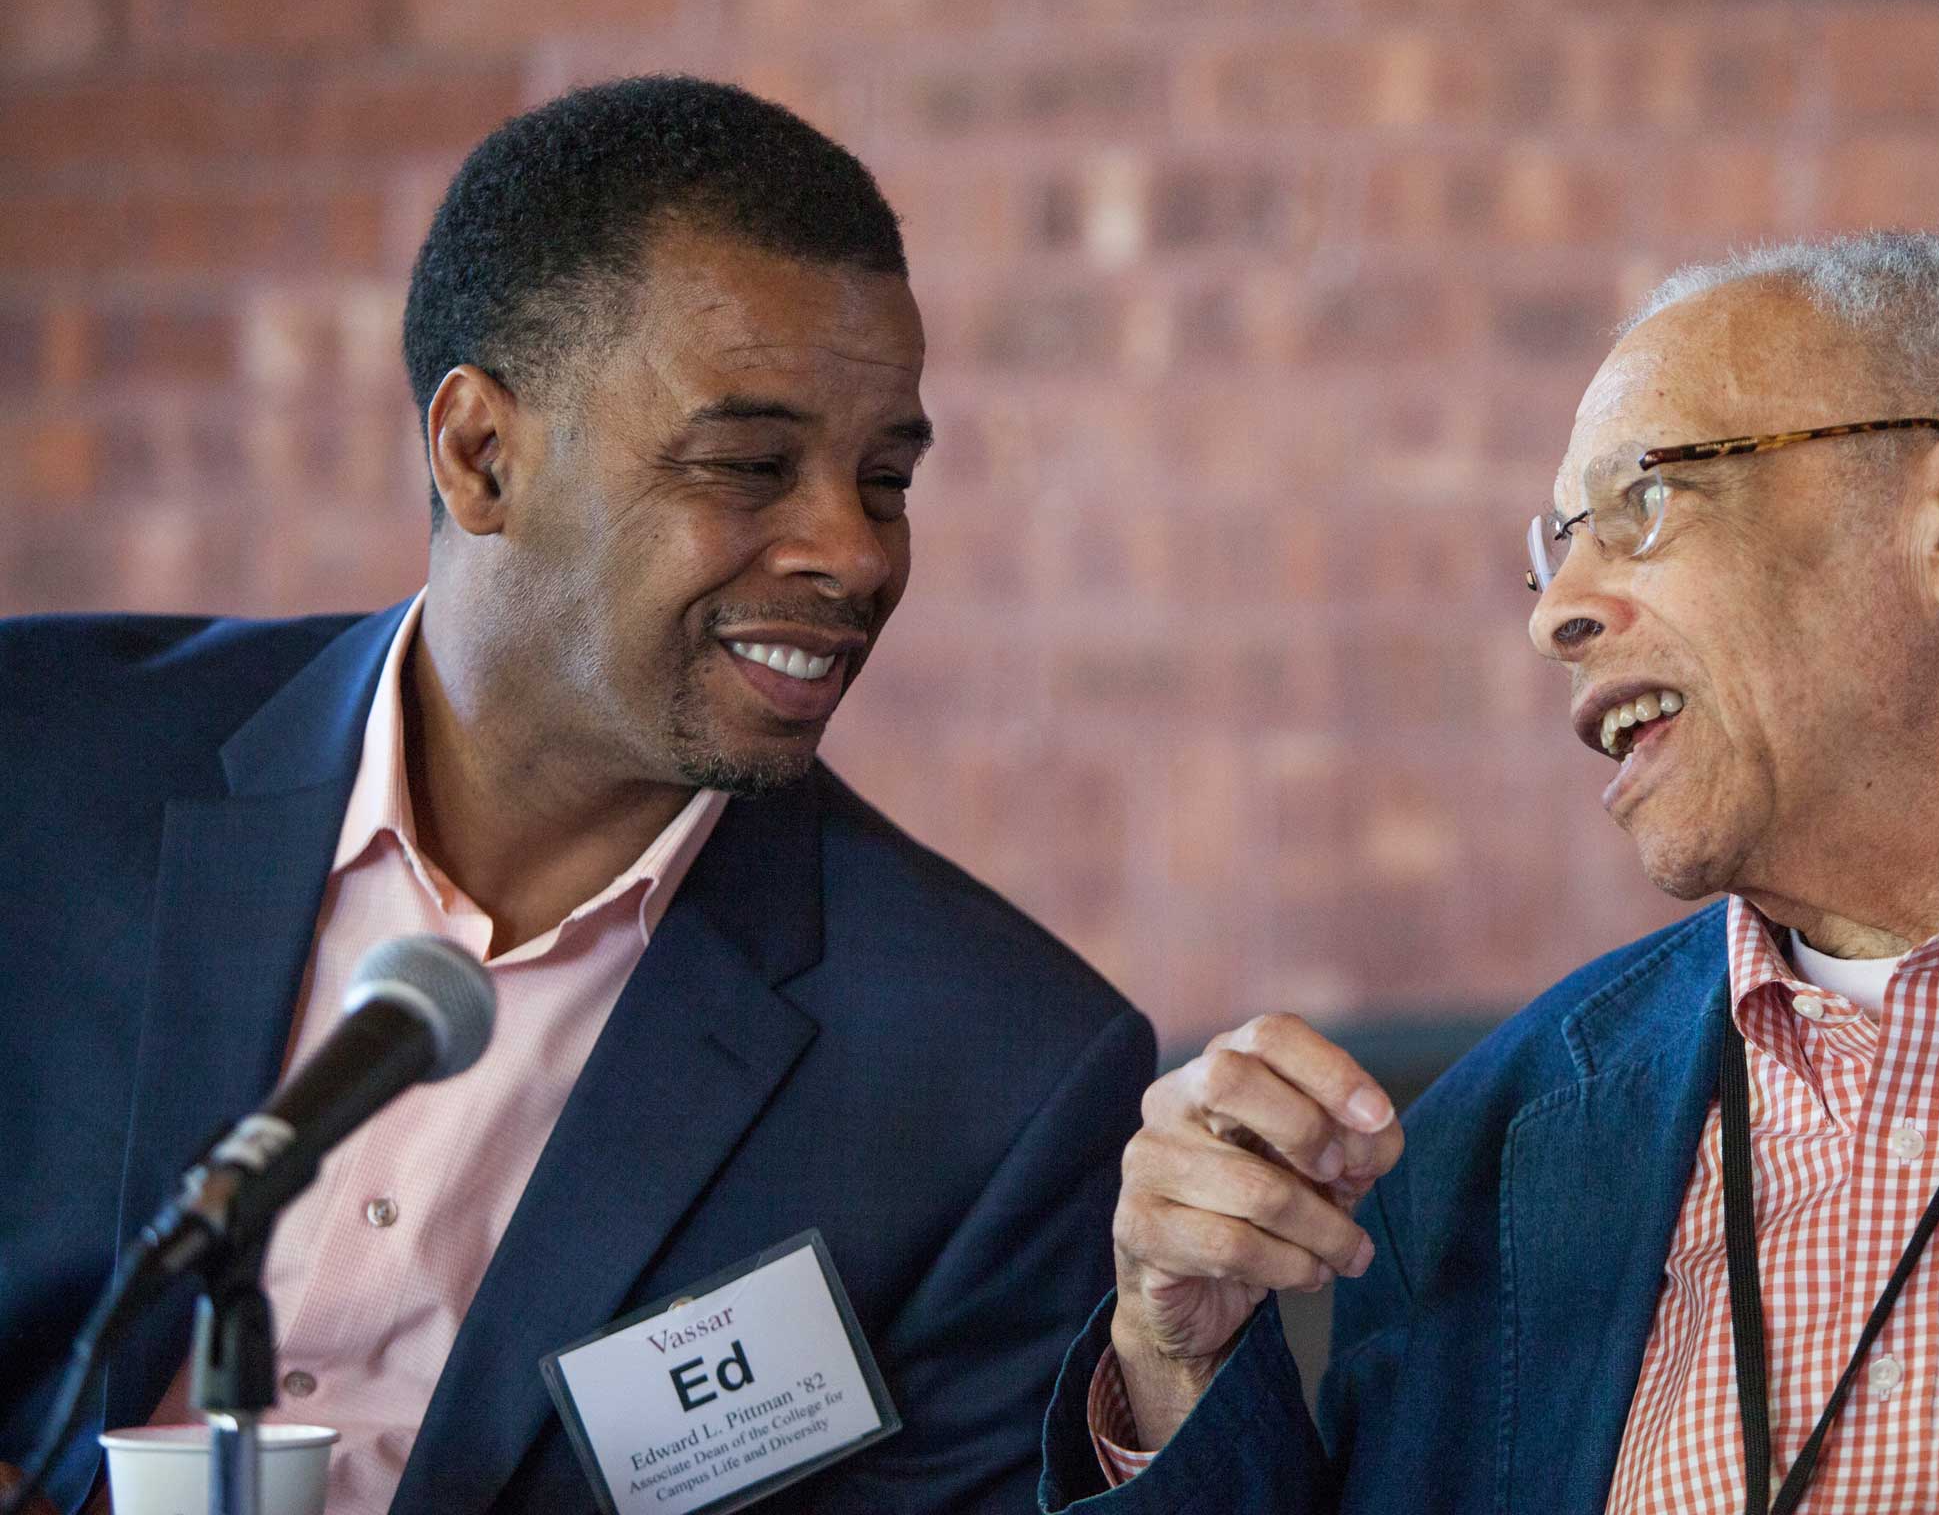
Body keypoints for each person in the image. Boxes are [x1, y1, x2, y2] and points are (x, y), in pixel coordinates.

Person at [1043, 233, 1939, 1514]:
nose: (1559, 614)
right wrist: (1174, 1371)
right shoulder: (1476, 1165)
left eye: (1644, 501)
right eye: (1550, 550)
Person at [0, 75, 1155, 1515]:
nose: (852, 555)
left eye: (885, 482)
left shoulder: (997, 1081)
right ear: (480, 453)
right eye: (748, 465)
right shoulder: (39, 768)